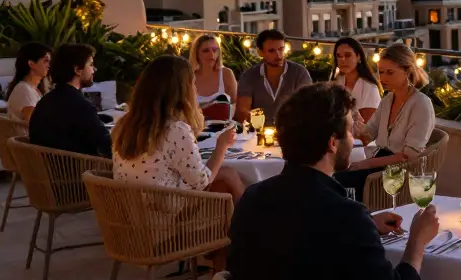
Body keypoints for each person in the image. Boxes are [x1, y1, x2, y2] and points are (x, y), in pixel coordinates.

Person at [226, 82, 452, 280]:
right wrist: (416, 242)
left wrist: (365, 226)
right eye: (349, 131)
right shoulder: (345, 215)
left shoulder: (251, 199)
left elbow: (290, 239)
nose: (353, 139)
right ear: (332, 143)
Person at [112, 55, 244, 201]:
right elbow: (201, 182)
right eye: (192, 84)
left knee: (223, 183)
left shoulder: (124, 124)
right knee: (228, 174)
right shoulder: (175, 130)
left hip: (131, 210)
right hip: (163, 216)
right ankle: (253, 221)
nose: (195, 89)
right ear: (181, 90)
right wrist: (221, 146)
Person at [338, 43, 435, 199]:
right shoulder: (388, 100)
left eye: (390, 73)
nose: (382, 78)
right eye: (381, 72)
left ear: (407, 71)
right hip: (378, 162)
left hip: (398, 171)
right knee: (332, 175)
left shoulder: (421, 104)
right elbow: (367, 135)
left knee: (338, 183)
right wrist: (353, 121)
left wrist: (367, 164)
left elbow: (407, 156)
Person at [28, 43, 111, 158]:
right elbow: (107, 144)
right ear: (77, 69)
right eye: (91, 64)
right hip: (79, 172)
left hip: (48, 170)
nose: (94, 69)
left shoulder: (46, 101)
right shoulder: (81, 106)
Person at [234, 29, 312, 124]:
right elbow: (242, 111)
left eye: (281, 49)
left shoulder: (299, 73)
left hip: (292, 131)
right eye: (272, 51)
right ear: (260, 53)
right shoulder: (249, 76)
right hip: (259, 132)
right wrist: (255, 120)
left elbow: (307, 107)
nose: (278, 55)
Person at [332, 37, 382, 122]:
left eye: (348, 55)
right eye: (339, 56)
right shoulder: (336, 82)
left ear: (358, 57)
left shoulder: (369, 87)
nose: (342, 59)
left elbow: (368, 125)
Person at [189, 34, 237, 118]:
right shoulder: (189, 77)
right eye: (206, 51)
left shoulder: (226, 74)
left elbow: (236, 106)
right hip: (196, 130)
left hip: (225, 129)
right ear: (196, 54)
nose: (211, 54)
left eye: (215, 50)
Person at [5, 42, 52, 122]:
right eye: (45, 61)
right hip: (27, 135)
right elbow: (35, 123)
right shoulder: (24, 90)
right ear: (31, 64)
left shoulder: (33, 89)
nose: (49, 65)